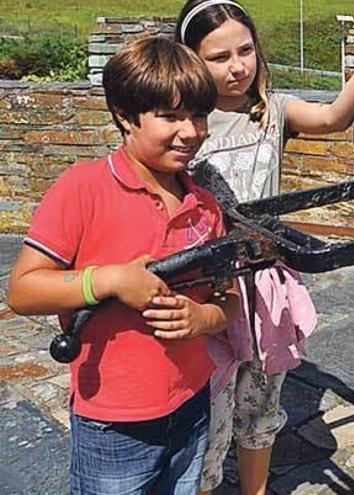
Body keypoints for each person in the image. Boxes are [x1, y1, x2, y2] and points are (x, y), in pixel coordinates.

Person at [174, 1, 354, 493]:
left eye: (245, 50)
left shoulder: (273, 111)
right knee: (207, 414)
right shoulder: (182, 125)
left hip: (266, 286)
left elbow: (332, 116)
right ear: (189, 59)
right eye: (218, 57)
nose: (237, 66)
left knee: (260, 406)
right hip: (205, 290)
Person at [6, 36, 240, 495]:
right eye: (170, 117)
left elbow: (227, 296)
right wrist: (109, 279)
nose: (190, 131)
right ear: (124, 116)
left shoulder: (207, 205)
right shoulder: (83, 189)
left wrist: (204, 318)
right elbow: (23, 290)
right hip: (114, 420)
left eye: (198, 116)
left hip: (193, 402)